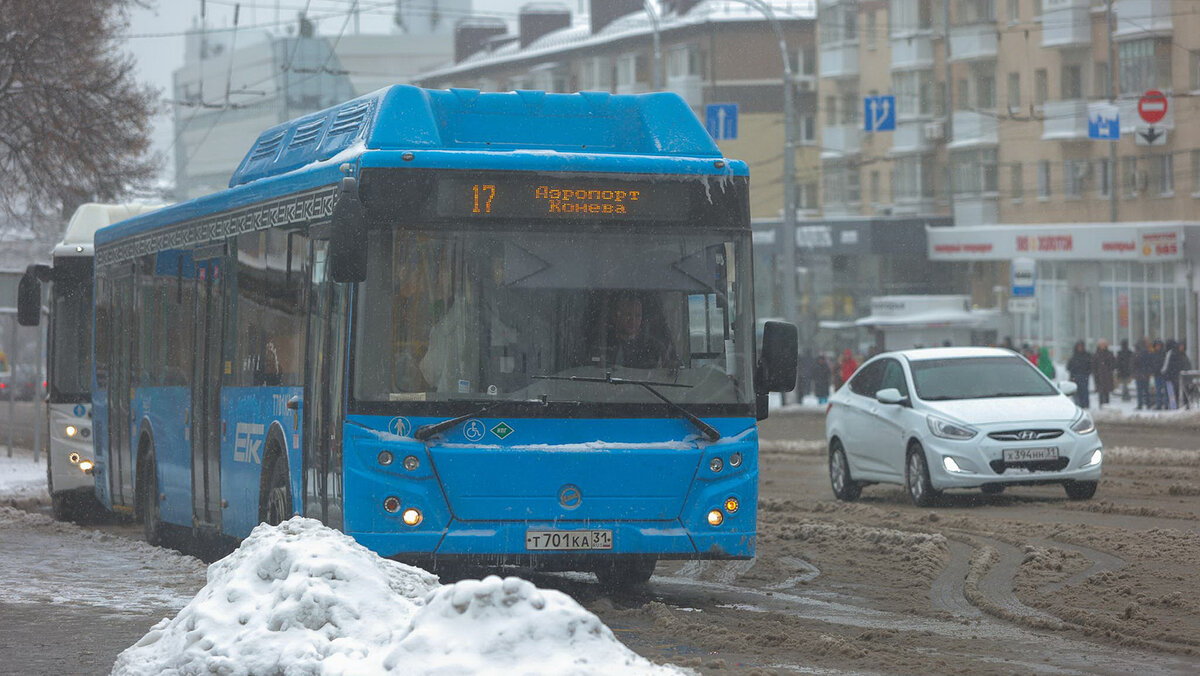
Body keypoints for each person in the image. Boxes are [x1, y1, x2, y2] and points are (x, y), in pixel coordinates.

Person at [600, 293, 673, 369]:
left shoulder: (654, 347)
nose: (633, 320)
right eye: (628, 315)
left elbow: (668, 373)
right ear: (615, 317)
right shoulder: (603, 344)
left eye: (637, 315)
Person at [1066, 341, 1092, 409]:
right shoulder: (1074, 356)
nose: (1080, 348)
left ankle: (1085, 405)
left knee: (1084, 391)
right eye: (1079, 347)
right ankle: (1078, 405)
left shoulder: (1087, 356)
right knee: (1076, 392)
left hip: (1084, 376)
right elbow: (1069, 367)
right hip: (1075, 376)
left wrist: (1087, 372)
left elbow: (1090, 365)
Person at [1092, 340, 1115, 407]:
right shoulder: (1096, 354)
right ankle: (1101, 405)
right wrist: (1096, 373)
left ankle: (1107, 406)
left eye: (1104, 344)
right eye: (1101, 345)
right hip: (1099, 376)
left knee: (1107, 392)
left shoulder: (1109, 354)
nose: (1103, 346)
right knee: (1101, 392)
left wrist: (1109, 369)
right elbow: (1093, 366)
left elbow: (1113, 364)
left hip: (1107, 376)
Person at [1133, 338, 1152, 410]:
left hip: (1139, 375)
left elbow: (1133, 364)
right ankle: (1148, 404)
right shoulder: (1147, 352)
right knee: (1146, 391)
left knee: (1139, 391)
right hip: (1145, 374)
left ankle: (1140, 404)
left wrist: (1134, 373)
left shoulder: (1136, 353)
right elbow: (1150, 363)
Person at [1150, 339, 1167, 409]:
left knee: (1164, 390)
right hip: (1157, 374)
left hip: (1163, 375)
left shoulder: (1163, 354)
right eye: (1157, 346)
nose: (1158, 347)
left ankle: (1166, 404)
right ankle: (1159, 404)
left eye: (1159, 345)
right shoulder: (1153, 354)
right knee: (1158, 391)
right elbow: (1151, 364)